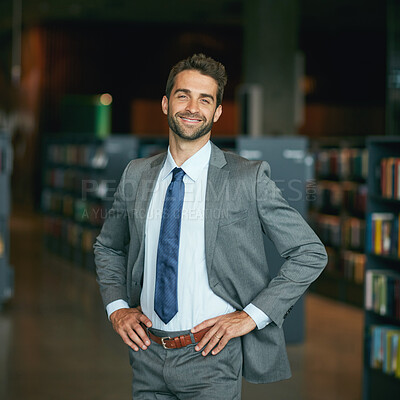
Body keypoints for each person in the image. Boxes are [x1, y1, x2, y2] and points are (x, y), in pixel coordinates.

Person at [94, 53, 327, 399]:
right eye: (183, 95)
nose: (192, 107)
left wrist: (250, 317)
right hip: (146, 354)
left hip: (212, 359)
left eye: (205, 99)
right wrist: (116, 309)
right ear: (165, 103)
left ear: (217, 112)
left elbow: (309, 252)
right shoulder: (137, 174)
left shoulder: (248, 177)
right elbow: (109, 246)